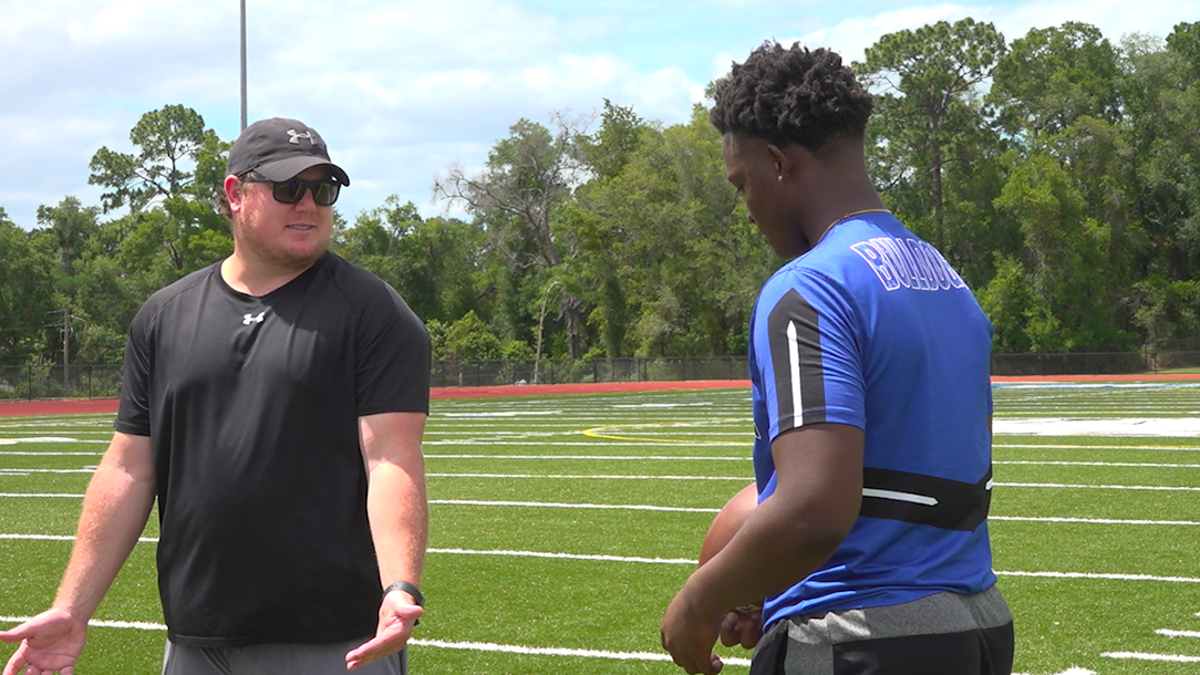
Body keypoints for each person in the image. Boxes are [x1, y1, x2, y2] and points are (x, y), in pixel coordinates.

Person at [1, 117, 431, 675]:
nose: (307, 204)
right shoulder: (163, 315)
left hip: (335, 641)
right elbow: (129, 470)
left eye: (322, 190)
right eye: (286, 188)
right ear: (235, 194)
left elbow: (391, 459)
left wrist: (400, 585)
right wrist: (71, 607)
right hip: (195, 637)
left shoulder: (373, 312)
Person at [660, 43, 1014, 675]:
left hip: (860, 636)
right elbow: (912, 477)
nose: (746, 209)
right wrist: (765, 577)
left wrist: (696, 602)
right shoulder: (945, 277)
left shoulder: (809, 288)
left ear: (776, 163)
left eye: (742, 183)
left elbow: (814, 508)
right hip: (979, 624)